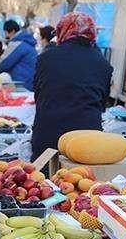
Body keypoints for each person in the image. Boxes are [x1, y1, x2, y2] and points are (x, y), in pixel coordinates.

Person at [31, 12, 112, 161]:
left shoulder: (46, 58)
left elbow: (38, 94)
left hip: (48, 138)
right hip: (87, 141)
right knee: (81, 182)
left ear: (63, 31)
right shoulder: (103, 63)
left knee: (43, 182)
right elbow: (102, 104)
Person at [0, 20, 37, 91]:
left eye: (6, 33)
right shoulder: (26, 42)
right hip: (30, 80)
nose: (6, 36)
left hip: (22, 83)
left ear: (13, 31)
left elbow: (3, 62)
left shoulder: (17, 43)